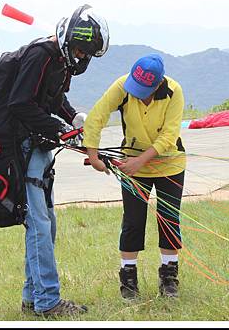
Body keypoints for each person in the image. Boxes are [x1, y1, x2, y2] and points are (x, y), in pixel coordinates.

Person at [0, 4, 109, 317]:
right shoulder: (41, 56)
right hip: (23, 148)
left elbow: (51, 98)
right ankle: (47, 302)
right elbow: (20, 104)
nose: (83, 57)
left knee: (45, 224)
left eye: (87, 54)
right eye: (81, 51)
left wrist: (73, 118)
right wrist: (58, 129)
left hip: (37, 147)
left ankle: (33, 299)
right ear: (69, 42)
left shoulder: (59, 62)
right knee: (40, 226)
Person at [82, 54, 186, 300]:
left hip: (169, 164)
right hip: (133, 168)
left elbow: (169, 136)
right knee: (132, 221)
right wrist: (94, 155)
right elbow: (97, 117)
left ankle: (169, 277)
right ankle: (128, 279)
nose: (138, 93)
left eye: (144, 90)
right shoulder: (123, 86)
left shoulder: (174, 91)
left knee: (169, 219)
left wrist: (140, 160)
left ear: (158, 84)